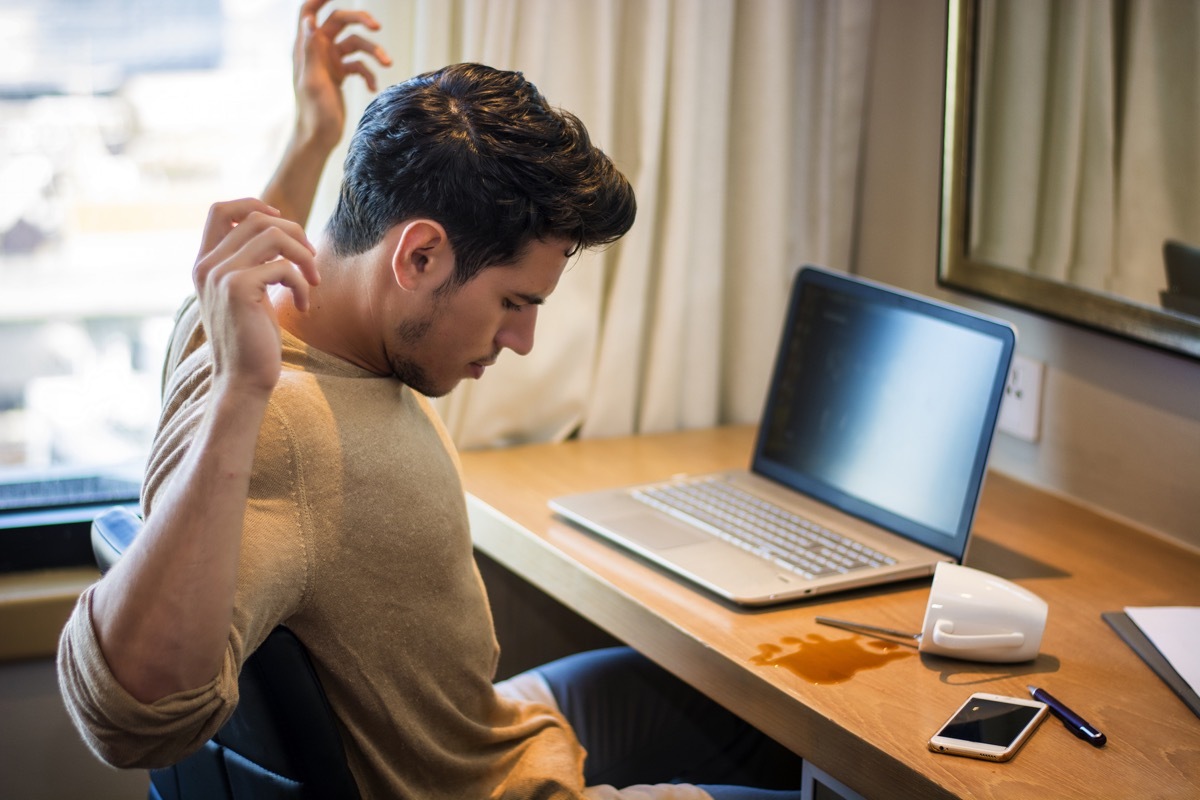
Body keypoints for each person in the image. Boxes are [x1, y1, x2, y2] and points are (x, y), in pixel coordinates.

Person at [57, 2, 805, 797]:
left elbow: (276, 266)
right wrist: (245, 394)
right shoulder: (277, 423)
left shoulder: (223, 319)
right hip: (489, 789)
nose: (522, 340)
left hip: (485, 732)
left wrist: (313, 136)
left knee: (743, 706)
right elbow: (122, 723)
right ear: (418, 256)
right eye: (514, 301)